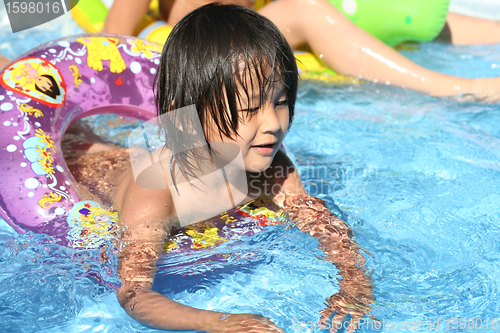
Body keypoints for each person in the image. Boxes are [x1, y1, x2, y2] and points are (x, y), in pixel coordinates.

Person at [65, 4, 373, 332]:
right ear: (184, 119)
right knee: (83, 145)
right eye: (251, 108)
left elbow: (319, 221)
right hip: (90, 168)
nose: (272, 123)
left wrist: (354, 284)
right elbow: (134, 293)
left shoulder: (271, 166)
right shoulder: (157, 192)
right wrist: (218, 322)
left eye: (280, 102)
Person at [103, 0, 500, 101]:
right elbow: (108, 48)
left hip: (253, 30)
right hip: (194, 43)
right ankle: (452, 87)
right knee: (306, 10)